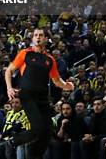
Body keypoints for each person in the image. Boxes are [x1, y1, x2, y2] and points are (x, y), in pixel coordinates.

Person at [5, 28, 74, 159]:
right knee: (37, 128)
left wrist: (67, 86)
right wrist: (9, 88)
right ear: (32, 39)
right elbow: (9, 71)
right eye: (35, 35)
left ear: (46, 39)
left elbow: (56, 80)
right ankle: (12, 141)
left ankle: (34, 155)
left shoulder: (50, 59)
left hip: (42, 98)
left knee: (46, 133)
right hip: (27, 95)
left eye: (40, 35)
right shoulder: (25, 54)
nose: (37, 37)